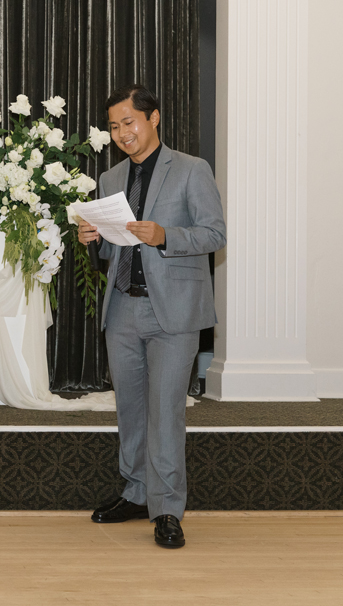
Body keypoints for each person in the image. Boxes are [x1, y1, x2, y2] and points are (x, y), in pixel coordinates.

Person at [77, 85, 225, 549]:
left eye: (130, 122)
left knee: (166, 414)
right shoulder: (110, 178)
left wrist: (166, 235)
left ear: (154, 118)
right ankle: (137, 492)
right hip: (122, 307)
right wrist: (93, 238)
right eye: (114, 125)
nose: (122, 133)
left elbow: (214, 233)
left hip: (174, 311)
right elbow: (112, 246)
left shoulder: (191, 169)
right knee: (132, 410)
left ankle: (167, 509)